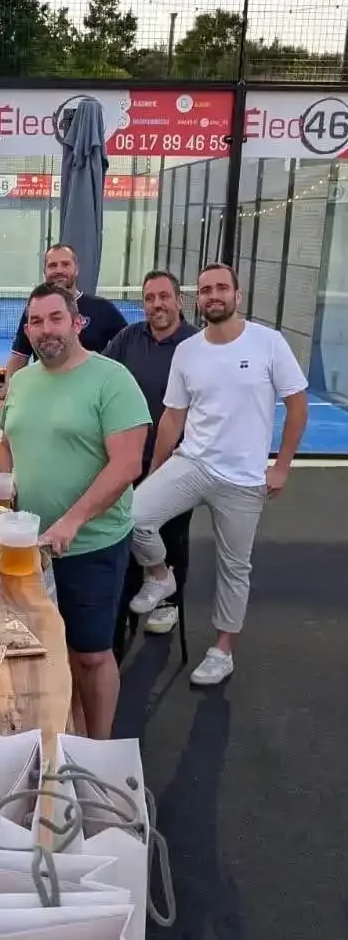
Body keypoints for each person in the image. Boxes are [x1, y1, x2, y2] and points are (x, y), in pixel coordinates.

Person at [130, 262, 308, 687]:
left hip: (245, 480)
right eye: (206, 289)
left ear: (237, 295)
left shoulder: (269, 343)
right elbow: (173, 418)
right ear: (199, 299)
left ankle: (223, 650)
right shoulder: (187, 352)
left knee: (234, 567)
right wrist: (156, 472)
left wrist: (281, 466)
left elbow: (297, 408)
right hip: (193, 463)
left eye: (221, 288)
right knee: (133, 517)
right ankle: (160, 576)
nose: (213, 296)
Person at [0, 283, 149, 739]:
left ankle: (97, 750)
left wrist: (73, 519)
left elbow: (127, 463)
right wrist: (2, 488)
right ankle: (63, 734)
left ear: (76, 322)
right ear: (27, 329)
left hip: (90, 545)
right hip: (28, 546)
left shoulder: (111, 380)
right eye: (37, 322)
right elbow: (7, 444)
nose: (47, 330)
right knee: (43, 650)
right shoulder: (21, 381)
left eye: (55, 318)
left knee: (91, 654)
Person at [104, 270, 199, 644]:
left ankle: (168, 601)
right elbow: (105, 374)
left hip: (180, 460)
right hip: (130, 454)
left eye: (163, 297)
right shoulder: (129, 337)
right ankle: (130, 592)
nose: (156, 305)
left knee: (172, 532)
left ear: (178, 300)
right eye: (149, 298)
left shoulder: (195, 345)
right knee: (126, 526)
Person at [5, 244, 127, 380]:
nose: (59, 270)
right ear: (45, 271)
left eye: (65, 264)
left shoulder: (103, 308)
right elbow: (19, 357)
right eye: (52, 265)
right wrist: (10, 391)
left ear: (76, 269)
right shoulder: (35, 310)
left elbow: (130, 347)